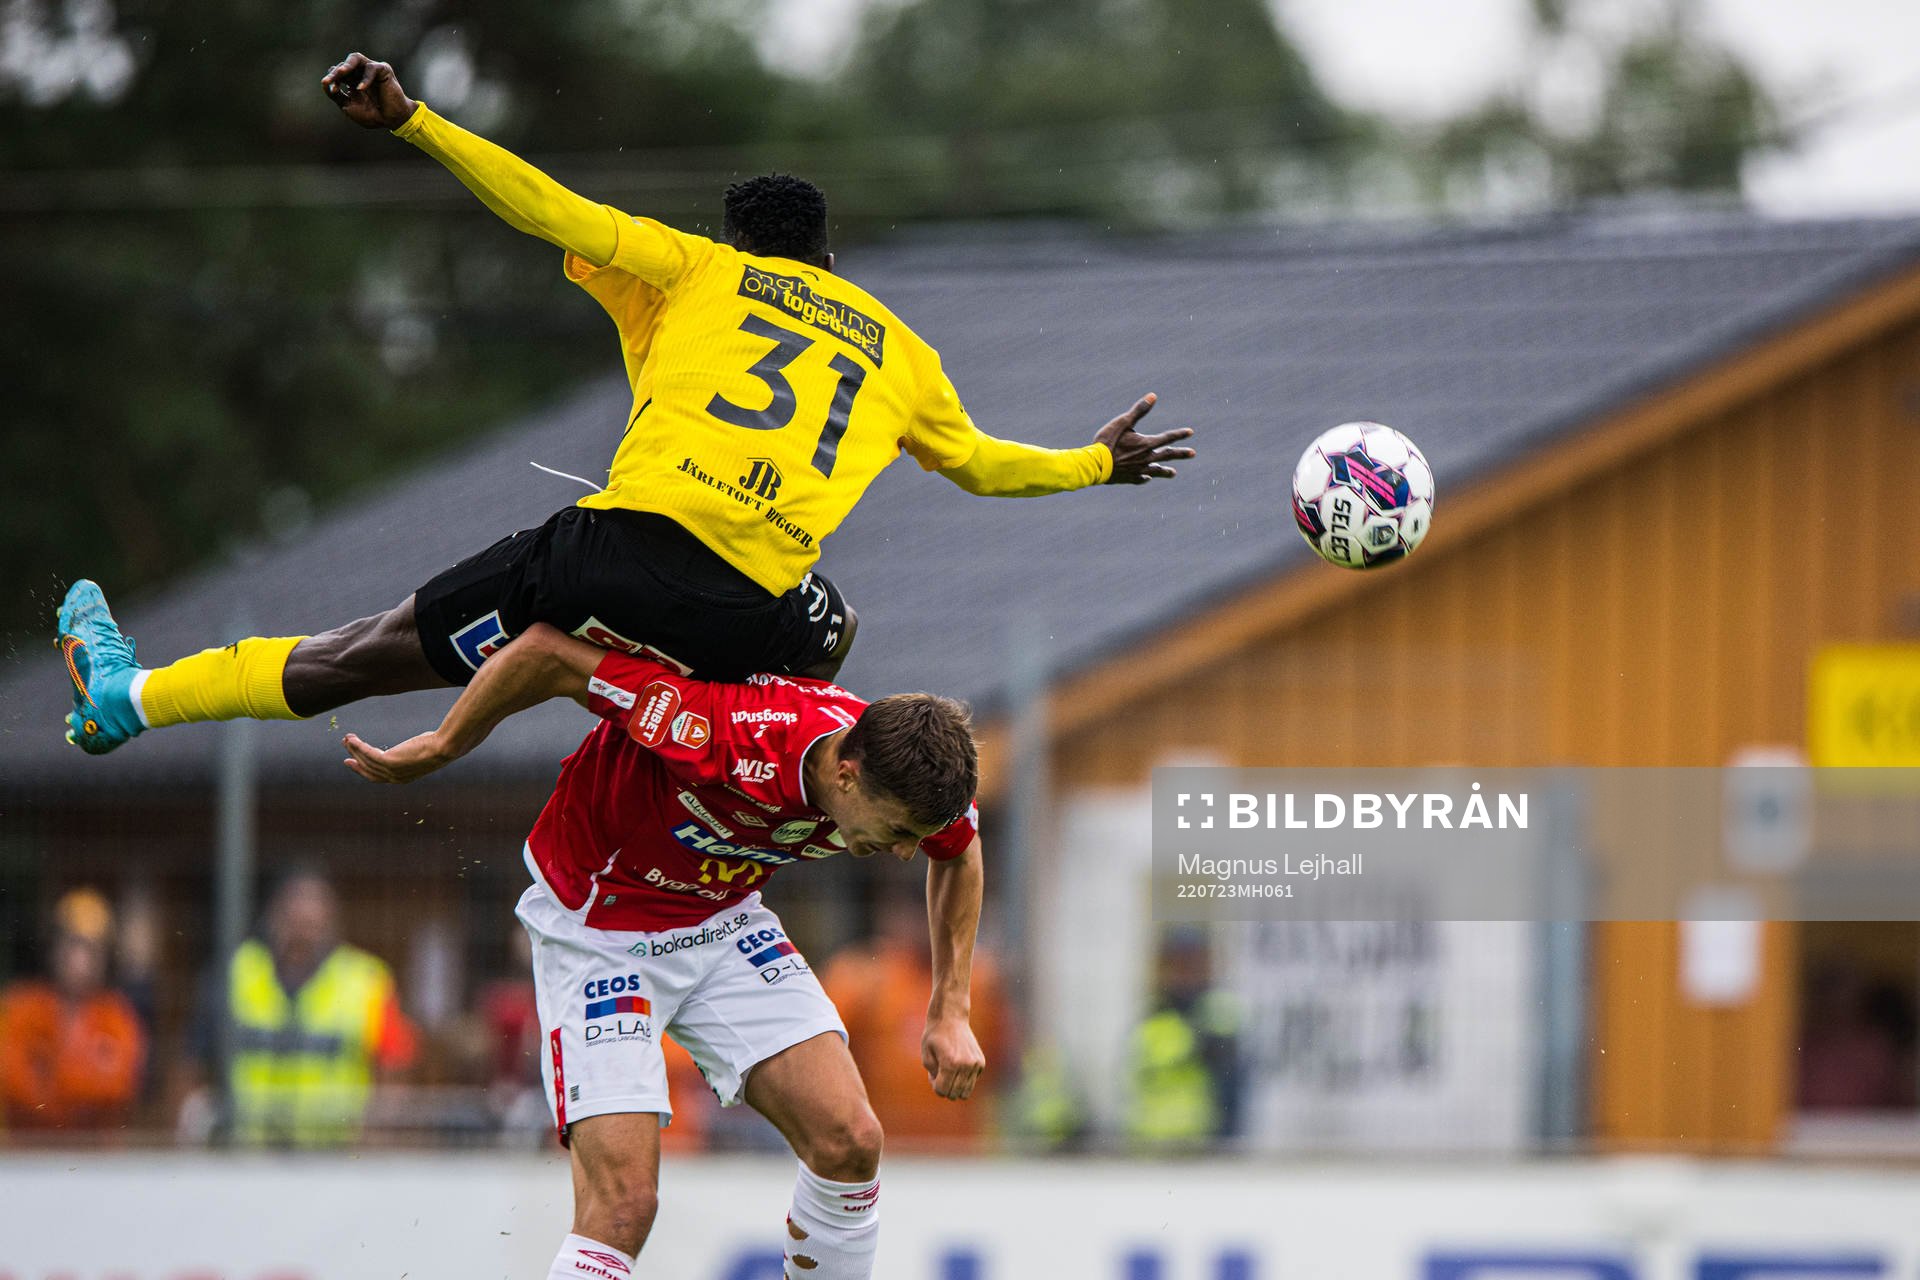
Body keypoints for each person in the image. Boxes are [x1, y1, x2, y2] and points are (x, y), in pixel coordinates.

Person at [52, 51, 1195, 758]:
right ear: (832, 260)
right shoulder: (903, 350)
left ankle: (132, 696)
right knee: (828, 619)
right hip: (750, 621)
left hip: (614, 559)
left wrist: (413, 122)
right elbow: (988, 466)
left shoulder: (695, 268)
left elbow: (549, 208)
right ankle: (715, 772)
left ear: (736, 239)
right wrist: (1099, 462)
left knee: (365, 650)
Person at [343, 622, 989, 1280]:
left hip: (723, 921)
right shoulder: (721, 728)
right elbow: (548, 652)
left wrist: (951, 1010)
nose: (909, 851)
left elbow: (959, 850)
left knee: (851, 1142)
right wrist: (444, 744)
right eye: (900, 832)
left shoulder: (902, 773)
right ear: (847, 776)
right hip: (601, 934)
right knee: (624, 1207)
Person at [179, 870, 419, 1148]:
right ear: (273, 915)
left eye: (312, 922)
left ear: (331, 920)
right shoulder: (235, 973)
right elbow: (191, 1062)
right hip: (247, 1151)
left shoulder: (366, 980)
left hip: (333, 1152)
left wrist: (375, 1134)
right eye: (295, 918)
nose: (303, 930)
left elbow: (395, 1070)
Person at [821, 882, 1009, 1151]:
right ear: (893, 916)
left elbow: (1002, 1063)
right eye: (919, 914)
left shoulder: (980, 981)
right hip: (879, 1154)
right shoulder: (861, 977)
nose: (928, 926)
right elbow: (823, 1061)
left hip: (960, 1153)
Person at [0, 888, 147, 1135]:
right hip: (27, 1155)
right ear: (54, 949)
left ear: (105, 956)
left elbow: (119, 1087)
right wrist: (79, 1083)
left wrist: (53, 1077)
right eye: (73, 945)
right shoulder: (21, 1008)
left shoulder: (118, 1016)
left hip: (96, 1159)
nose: (80, 959)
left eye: (92, 949)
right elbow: (13, 1083)